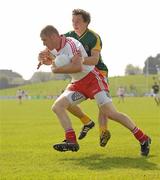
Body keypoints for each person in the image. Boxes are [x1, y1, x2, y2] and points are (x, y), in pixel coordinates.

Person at [39, 25, 151, 156]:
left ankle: (143, 138)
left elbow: (78, 67)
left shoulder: (71, 44)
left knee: (110, 113)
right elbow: (53, 60)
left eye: (44, 40)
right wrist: (44, 60)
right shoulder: (53, 47)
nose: (43, 43)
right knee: (57, 106)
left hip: (93, 80)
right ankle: (71, 140)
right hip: (77, 84)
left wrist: (57, 70)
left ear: (53, 37)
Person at [64, 9, 110, 147]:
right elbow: (55, 46)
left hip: (99, 72)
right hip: (81, 75)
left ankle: (103, 132)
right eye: (73, 21)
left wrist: (78, 60)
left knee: (103, 106)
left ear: (86, 22)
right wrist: (44, 54)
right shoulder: (68, 36)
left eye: (78, 21)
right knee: (65, 103)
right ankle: (87, 121)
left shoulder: (93, 37)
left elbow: (95, 60)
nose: (74, 24)